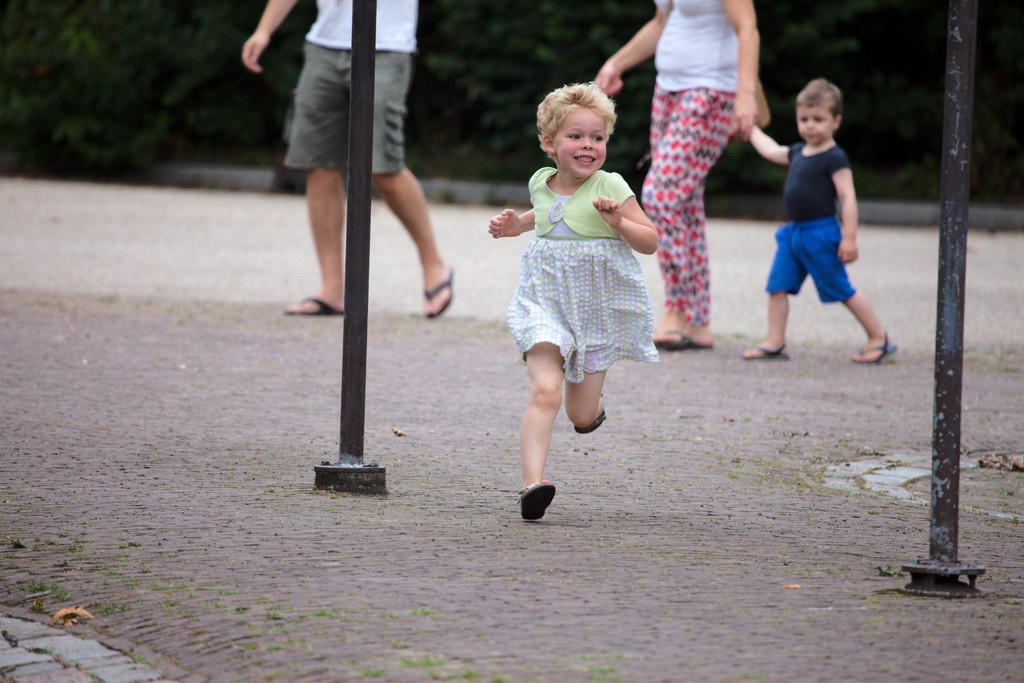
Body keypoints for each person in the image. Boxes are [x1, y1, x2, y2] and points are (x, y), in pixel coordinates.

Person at [488, 83, 660, 521]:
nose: (588, 146)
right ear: (549, 143)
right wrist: (514, 226)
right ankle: (533, 485)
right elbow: (543, 215)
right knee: (545, 389)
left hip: (595, 310)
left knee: (579, 414)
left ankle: (590, 413)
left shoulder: (612, 185)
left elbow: (651, 242)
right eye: (576, 136)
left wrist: (619, 221)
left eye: (597, 138)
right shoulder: (540, 182)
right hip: (543, 303)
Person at [242, 0, 453, 318]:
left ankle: (433, 264)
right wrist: (264, 29)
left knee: (383, 166)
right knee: (320, 165)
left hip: (387, 44)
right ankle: (331, 289)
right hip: (324, 45)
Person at [595, 0, 759, 351]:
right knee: (684, 203)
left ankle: (678, 307)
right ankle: (698, 320)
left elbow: (747, 28)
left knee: (660, 194)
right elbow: (662, 20)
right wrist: (616, 63)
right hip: (668, 89)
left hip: (712, 91)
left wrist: (745, 96)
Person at [742, 78, 897, 364]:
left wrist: (849, 237)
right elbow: (770, 149)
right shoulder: (798, 151)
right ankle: (775, 342)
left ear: (835, 121)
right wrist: (751, 129)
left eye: (818, 119)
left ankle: (878, 338)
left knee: (841, 289)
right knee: (777, 286)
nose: (809, 125)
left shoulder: (834, 157)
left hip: (821, 234)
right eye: (803, 119)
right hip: (794, 235)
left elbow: (848, 198)